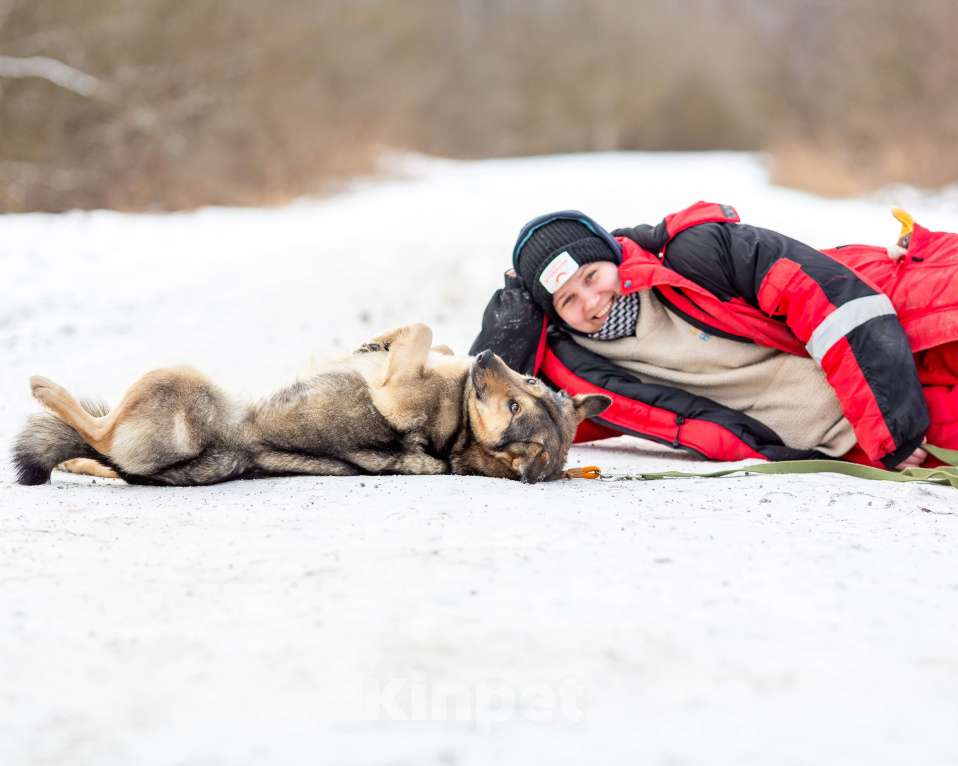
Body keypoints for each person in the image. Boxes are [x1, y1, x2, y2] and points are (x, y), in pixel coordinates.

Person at [470, 202, 958, 469]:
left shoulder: (697, 253)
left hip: (902, 356)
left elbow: (832, 302)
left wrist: (892, 428)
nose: (592, 302)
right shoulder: (580, 369)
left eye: (592, 277)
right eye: (568, 300)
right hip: (862, 440)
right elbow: (506, 425)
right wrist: (508, 338)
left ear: (612, 256)